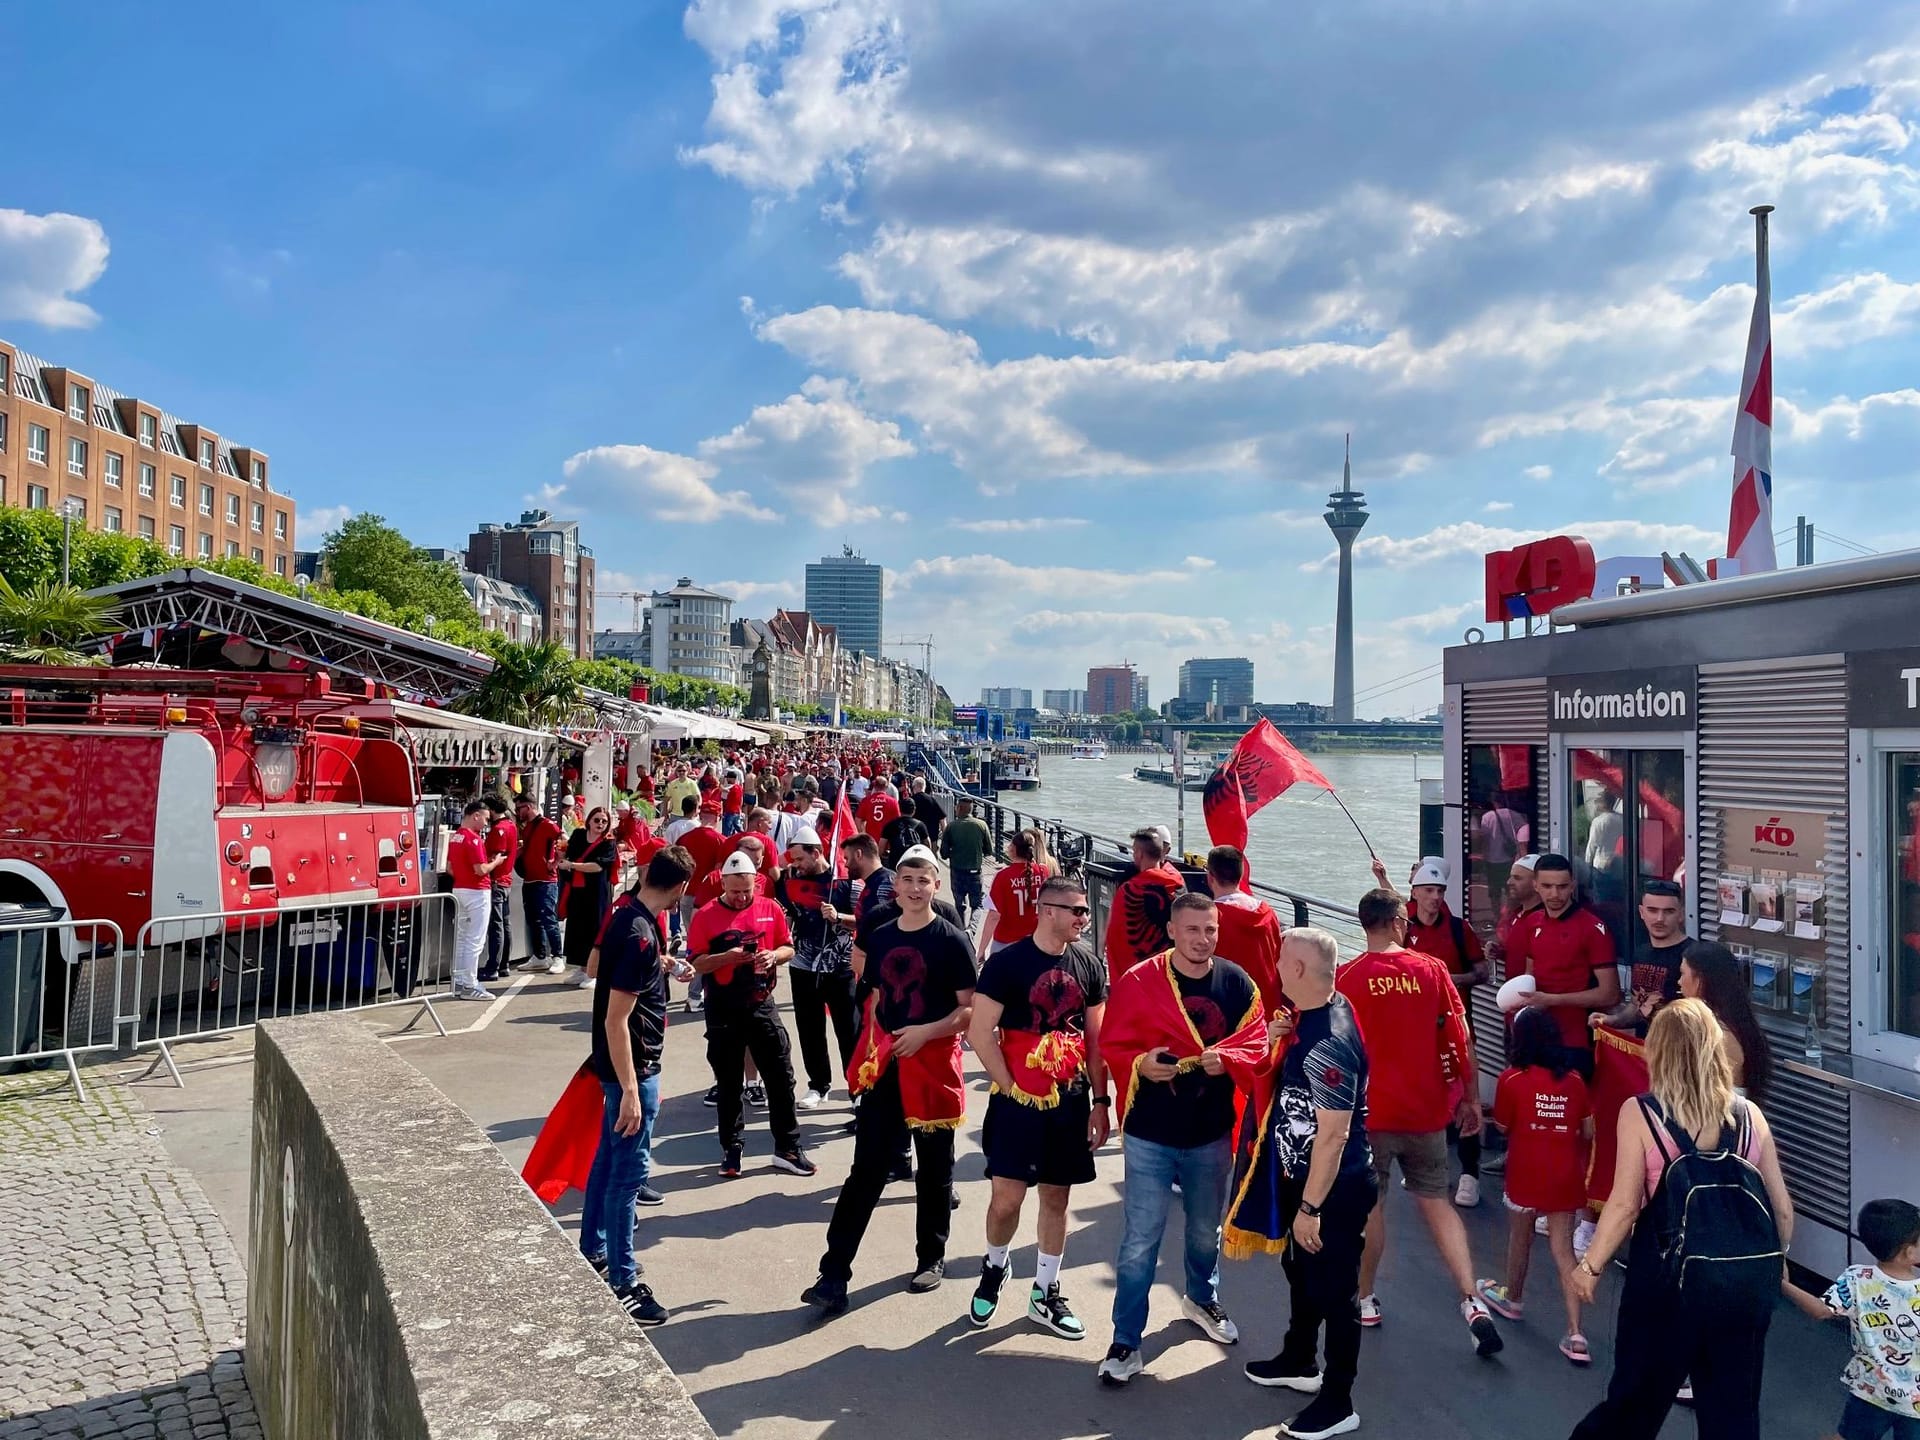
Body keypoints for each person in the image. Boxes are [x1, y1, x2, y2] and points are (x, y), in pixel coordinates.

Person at [1567, 999, 1794, 1440]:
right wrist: (1773, 1260)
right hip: (1741, 1287)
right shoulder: (1749, 1116)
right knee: (1734, 1411)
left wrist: (1590, 1266)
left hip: (1667, 1283)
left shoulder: (1642, 1113)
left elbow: (1624, 1204)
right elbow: (1781, 1207)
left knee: (1635, 1401)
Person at [1096, 892, 1263, 1386]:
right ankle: (1125, 1341)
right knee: (1138, 1242)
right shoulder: (1140, 981)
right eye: (1192, 929)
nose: (1202, 938)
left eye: (1210, 929)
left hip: (1210, 1135)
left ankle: (1201, 1298)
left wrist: (1229, 1060)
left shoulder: (1237, 983)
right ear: (1171, 931)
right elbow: (1114, 1044)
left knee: (1203, 1230)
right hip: (1150, 1134)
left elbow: (1257, 1046)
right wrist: (1139, 1064)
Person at [803, 847, 976, 1314]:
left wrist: (926, 1032)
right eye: (908, 879)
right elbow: (876, 995)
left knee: (935, 1169)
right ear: (895, 887)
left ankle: (930, 1255)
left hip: (935, 1064)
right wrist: (875, 1045)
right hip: (889, 1065)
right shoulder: (878, 937)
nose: (916, 888)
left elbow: (969, 1009)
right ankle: (834, 1271)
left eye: (925, 880)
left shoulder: (951, 940)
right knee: (866, 1171)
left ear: (935, 887)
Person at [1338, 888, 1501, 1355]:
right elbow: (1460, 1035)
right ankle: (1472, 1299)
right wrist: (1469, 1099)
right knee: (1436, 1201)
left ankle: (1365, 1299)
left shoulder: (1347, 977)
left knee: (1373, 1207)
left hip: (1370, 1113)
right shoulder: (1429, 970)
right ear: (1395, 922)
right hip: (1426, 1111)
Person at [1240, 927, 1375, 1440]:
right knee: (1299, 1270)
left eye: (1280, 961)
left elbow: (1334, 1135)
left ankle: (1338, 1400)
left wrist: (1311, 1208)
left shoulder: (1328, 1043)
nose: (1274, 967)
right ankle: (1299, 1358)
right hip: (1304, 1179)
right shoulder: (1321, 1010)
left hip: (1333, 1189)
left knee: (1337, 1291)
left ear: (1296, 970)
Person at [966, 874, 1109, 1339]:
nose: (1084, 919)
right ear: (1048, 911)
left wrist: (1100, 1102)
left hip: (1069, 1101)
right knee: (1006, 1199)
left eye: (1086, 910)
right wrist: (1007, 1085)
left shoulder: (1089, 966)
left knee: (1056, 1197)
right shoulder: (1006, 964)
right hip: (1018, 1100)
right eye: (1077, 911)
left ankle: (1045, 1291)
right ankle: (995, 1266)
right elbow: (980, 1030)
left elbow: (1095, 1041)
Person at [578, 845, 695, 1328]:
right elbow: (616, 1018)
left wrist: (665, 966)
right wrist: (629, 1087)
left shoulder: (626, 914)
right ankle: (623, 1281)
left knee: (608, 1164)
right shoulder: (640, 932)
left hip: (624, 1066)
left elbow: (603, 974)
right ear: (682, 887)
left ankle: (595, 1250)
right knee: (627, 1175)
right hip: (635, 1067)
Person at [1474, 1007, 1593, 1365]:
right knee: (1563, 1251)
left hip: (1526, 1171)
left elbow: (1505, 1129)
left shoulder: (1511, 1079)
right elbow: (1587, 1130)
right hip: (1565, 1174)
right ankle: (1575, 1333)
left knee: (1519, 1238)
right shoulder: (1574, 1080)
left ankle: (1512, 1299)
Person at [689, 851, 815, 1179]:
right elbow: (696, 962)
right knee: (728, 1081)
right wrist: (725, 957)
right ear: (723, 884)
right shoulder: (706, 915)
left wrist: (774, 956)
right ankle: (732, 1148)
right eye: (735, 892)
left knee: (781, 1075)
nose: (742, 897)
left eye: (747, 891)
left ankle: (787, 1146)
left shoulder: (769, 908)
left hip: (761, 1003)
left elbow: (789, 946)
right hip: (722, 1006)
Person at [1782, 1197, 1920, 1440]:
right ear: (1908, 1252)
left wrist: (1781, 1283)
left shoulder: (1857, 1278)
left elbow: (1820, 1310)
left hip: (1871, 1390)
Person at [1401, 857, 1490, 1209]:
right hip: (1416, 1031)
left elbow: (1482, 972)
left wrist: (1452, 980)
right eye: (1428, 891)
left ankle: (1470, 1175)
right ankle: (1425, 1166)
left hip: (1455, 1028)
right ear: (1415, 893)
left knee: (1467, 1098)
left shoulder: (1458, 929)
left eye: (1439, 891)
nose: (1434, 897)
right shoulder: (1403, 929)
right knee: (1423, 1099)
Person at [773, 825, 860, 1109]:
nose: (796, 865)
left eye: (800, 859)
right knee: (809, 1029)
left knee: (848, 1029)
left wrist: (839, 917)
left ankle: (856, 1087)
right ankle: (818, 1085)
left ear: (817, 852)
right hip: (803, 966)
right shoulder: (789, 882)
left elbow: (864, 920)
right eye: (793, 860)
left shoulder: (844, 880)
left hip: (840, 966)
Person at [1506, 853, 1619, 1063]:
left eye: (1562, 886)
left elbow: (1610, 994)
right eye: (1547, 886)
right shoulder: (1533, 923)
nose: (1555, 894)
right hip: (1535, 1038)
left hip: (1574, 1043)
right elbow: (1530, 976)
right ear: (1536, 886)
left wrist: (1551, 1000)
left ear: (1573, 886)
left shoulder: (1592, 928)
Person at [1593, 878, 1691, 1035]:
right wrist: (1611, 1020)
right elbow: (1637, 1006)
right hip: (1644, 1050)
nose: (1660, 918)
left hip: (1680, 1053)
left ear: (1681, 915)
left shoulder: (1694, 956)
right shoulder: (1640, 953)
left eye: (1668, 911)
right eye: (1652, 910)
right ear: (1641, 912)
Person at [1679, 941, 1774, 1101]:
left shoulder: (1717, 1033)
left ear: (1699, 980)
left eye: (1683, 974)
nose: (1679, 982)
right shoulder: (1733, 1023)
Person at [1103, 826, 1187, 992]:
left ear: (1139, 853)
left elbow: (1116, 936)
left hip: (1134, 975)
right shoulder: (1177, 885)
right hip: (1169, 973)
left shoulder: (1129, 889)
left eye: (1134, 851)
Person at [1207, 845, 1285, 1016]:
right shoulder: (1268, 912)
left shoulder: (1211, 918)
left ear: (1210, 877)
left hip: (1229, 1006)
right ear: (1241, 874)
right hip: (1268, 1005)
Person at [447, 800, 502, 1000]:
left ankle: (461, 982)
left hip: (459, 889)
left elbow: (450, 868)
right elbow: (480, 870)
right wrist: (496, 861)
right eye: (486, 818)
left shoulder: (455, 838)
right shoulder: (474, 840)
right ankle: (470, 984)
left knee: (462, 938)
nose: (487, 823)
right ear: (476, 815)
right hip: (477, 892)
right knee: (474, 941)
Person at [559, 808, 619, 988]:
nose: (600, 824)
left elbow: (598, 866)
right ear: (589, 821)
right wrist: (562, 857)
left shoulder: (608, 842)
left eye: (603, 821)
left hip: (597, 892)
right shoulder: (578, 835)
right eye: (597, 820)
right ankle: (582, 968)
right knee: (577, 927)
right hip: (578, 890)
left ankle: (595, 972)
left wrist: (572, 865)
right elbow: (568, 852)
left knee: (595, 929)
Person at [976, 829, 1052, 961]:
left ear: (1014, 850)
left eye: (1010, 844)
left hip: (1006, 942)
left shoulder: (1003, 877)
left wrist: (982, 950)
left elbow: (994, 916)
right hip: (1035, 941)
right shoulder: (1043, 871)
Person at [513, 797, 566, 975]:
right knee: (534, 919)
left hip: (545, 880)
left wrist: (555, 862)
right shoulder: (528, 827)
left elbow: (564, 841)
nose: (517, 812)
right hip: (531, 879)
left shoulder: (547, 825)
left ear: (528, 807)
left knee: (548, 919)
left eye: (519, 808)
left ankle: (557, 956)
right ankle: (540, 956)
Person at [478, 794, 519, 982]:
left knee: (496, 925)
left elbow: (494, 857)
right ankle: (503, 965)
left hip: (496, 881)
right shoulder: (510, 825)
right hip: (506, 880)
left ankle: (494, 966)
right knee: (504, 923)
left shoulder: (499, 830)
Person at [939, 795, 993, 931]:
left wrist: (953, 852)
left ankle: (961, 930)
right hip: (975, 871)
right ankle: (972, 929)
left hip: (957, 871)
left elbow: (943, 854)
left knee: (959, 904)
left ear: (959, 808)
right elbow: (989, 851)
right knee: (978, 905)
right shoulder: (982, 825)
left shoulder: (951, 827)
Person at [881, 794, 931, 870]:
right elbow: (927, 844)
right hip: (914, 860)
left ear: (900, 809)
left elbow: (881, 847)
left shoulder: (890, 825)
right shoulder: (920, 825)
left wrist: (885, 854)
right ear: (914, 810)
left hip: (896, 862)